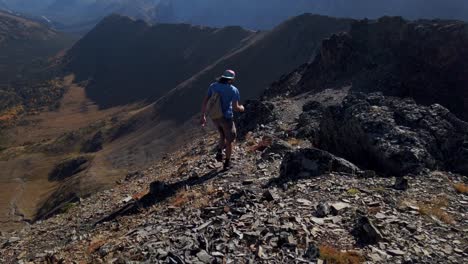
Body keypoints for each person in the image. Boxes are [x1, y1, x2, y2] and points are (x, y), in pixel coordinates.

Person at [201, 69, 245, 170]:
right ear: (231, 79)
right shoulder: (233, 90)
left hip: (215, 117)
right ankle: (227, 163)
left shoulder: (213, 86)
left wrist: (203, 116)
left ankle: (220, 152)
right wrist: (242, 108)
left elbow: (205, 101)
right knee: (229, 140)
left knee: (222, 134)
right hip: (226, 118)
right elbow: (235, 107)